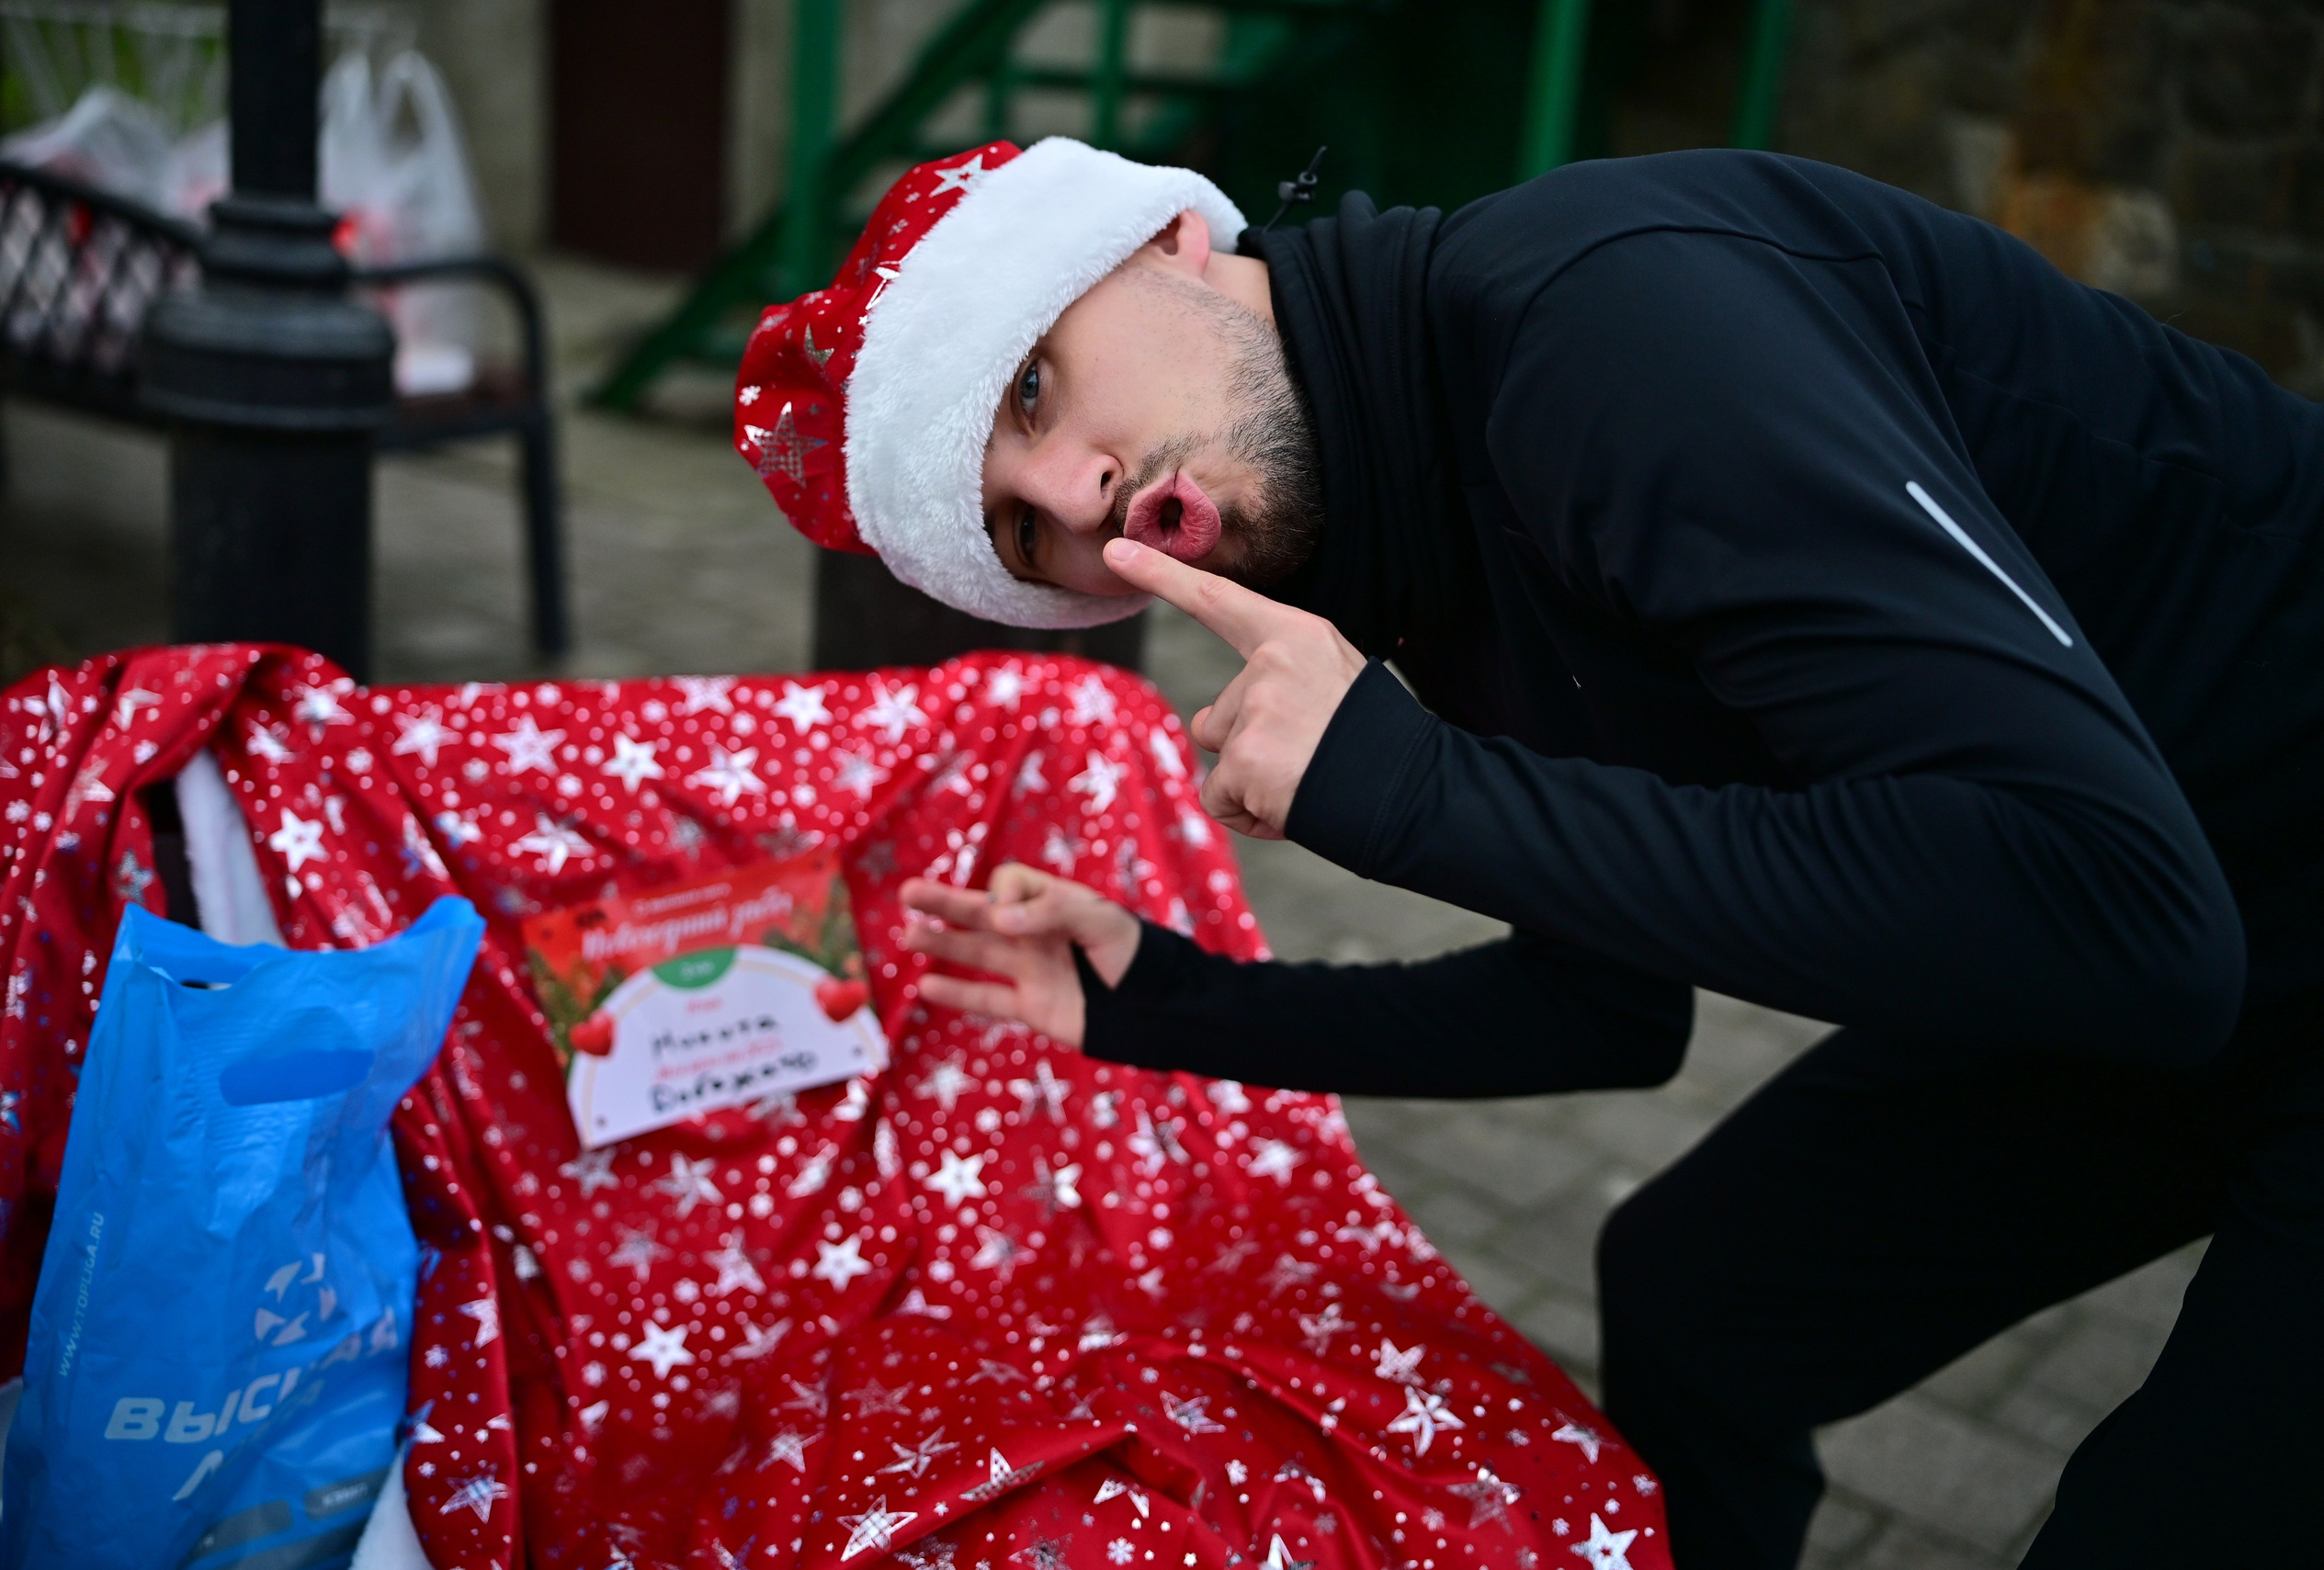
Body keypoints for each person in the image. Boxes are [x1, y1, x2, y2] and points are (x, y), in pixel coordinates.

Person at [731, 137, 2324, 1566]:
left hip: (2176, 897)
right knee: (1704, 1295)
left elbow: (2122, 919)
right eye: (1027, 532)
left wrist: (1413, 790)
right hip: (2163, 930)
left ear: (1164, 243)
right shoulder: (1402, 527)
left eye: (1034, 390)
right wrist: (1160, 998)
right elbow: (1607, 1009)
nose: (1080, 497)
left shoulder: (1608, 324)